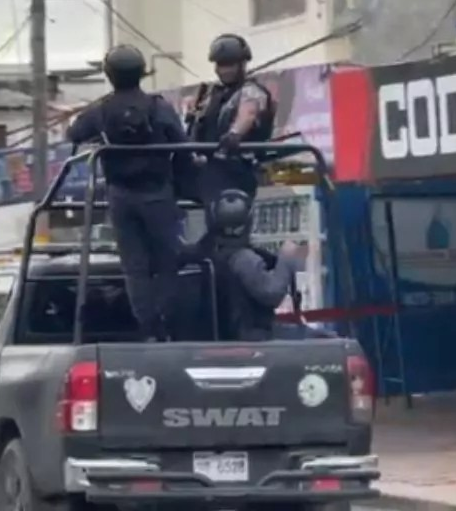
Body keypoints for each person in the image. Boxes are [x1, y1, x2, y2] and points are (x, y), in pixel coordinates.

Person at [68, 44, 189, 342]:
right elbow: (181, 142)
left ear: (109, 75)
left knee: (135, 267)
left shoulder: (101, 109)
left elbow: (74, 133)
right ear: (140, 72)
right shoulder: (159, 107)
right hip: (159, 192)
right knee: (167, 262)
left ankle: (147, 328)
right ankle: (166, 324)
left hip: (121, 196)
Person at [182, 189, 295, 341]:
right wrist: (286, 258)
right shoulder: (243, 259)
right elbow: (272, 294)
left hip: (205, 339)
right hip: (249, 338)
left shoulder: (201, 255)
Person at [187, 34, 277, 206]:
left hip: (238, 169)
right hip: (206, 171)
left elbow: (248, 113)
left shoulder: (252, 91)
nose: (225, 70)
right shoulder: (209, 93)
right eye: (221, 65)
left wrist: (234, 133)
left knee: (228, 221)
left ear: (242, 64)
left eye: (230, 64)